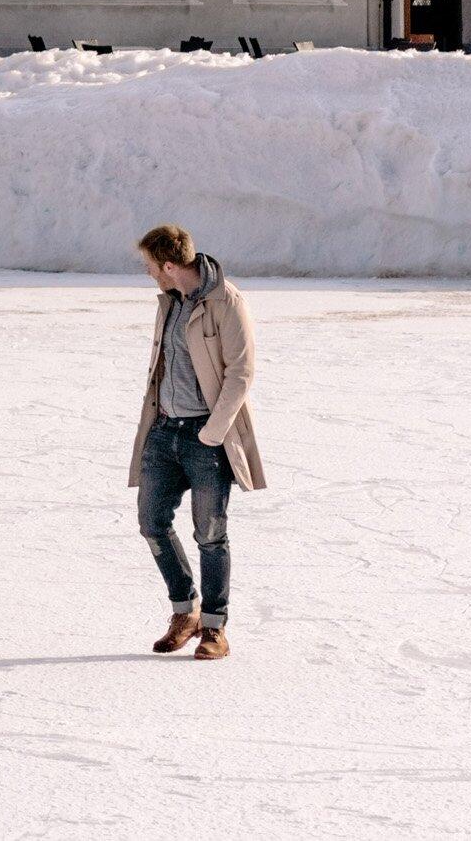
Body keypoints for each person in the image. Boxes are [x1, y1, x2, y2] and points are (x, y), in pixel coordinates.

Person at [128, 223, 265, 659]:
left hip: (207, 436)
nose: (149, 274)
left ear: (169, 265)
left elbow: (240, 374)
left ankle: (214, 629)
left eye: (152, 267)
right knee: (152, 523)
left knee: (210, 534)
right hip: (163, 430)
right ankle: (184, 610)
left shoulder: (227, 302)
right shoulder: (168, 302)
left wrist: (212, 433)